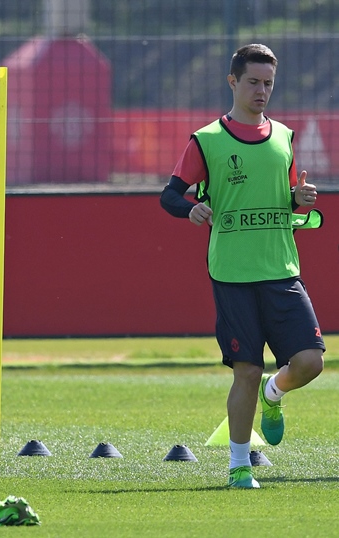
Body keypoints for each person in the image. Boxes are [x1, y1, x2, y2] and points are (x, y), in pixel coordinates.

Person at [160, 43, 324, 488]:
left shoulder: (285, 137)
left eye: (268, 83)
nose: (261, 91)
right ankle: (238, 466)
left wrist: (299, 199)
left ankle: (275, 395)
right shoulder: (208, 140)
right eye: (253, 81)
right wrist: (190, 208)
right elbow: (170, 194)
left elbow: (288, 196)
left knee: (310, 361)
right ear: (233, 81)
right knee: (247, 370)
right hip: (232, 274)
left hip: (281, 269)